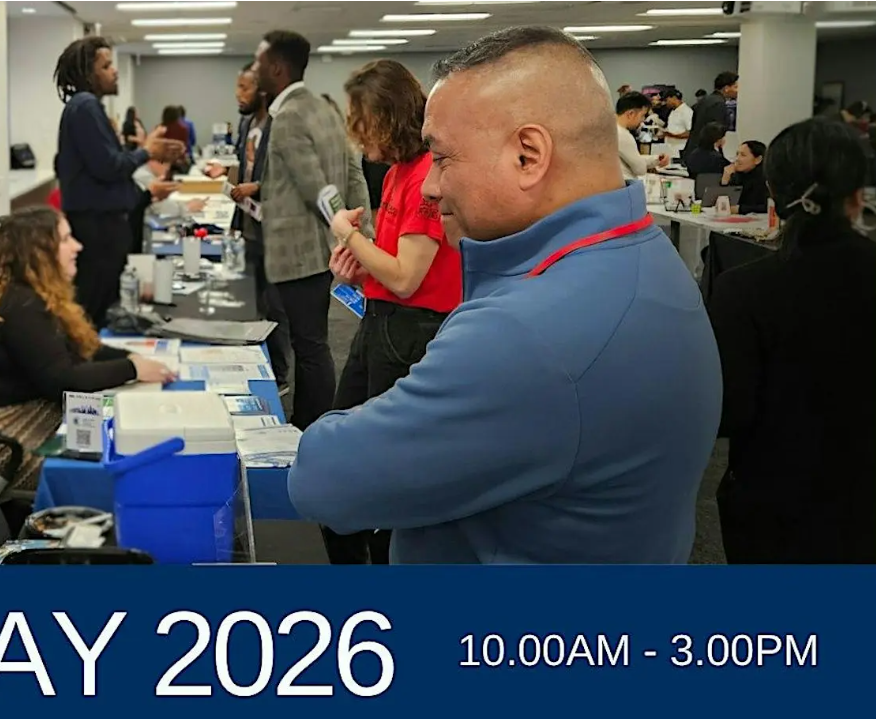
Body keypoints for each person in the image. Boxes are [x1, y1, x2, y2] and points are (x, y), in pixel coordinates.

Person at [287, 26, 722, 564]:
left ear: (528, 155)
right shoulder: (649, 260)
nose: (430, 185)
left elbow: (323, 481)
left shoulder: (525, 331)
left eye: (443, 158)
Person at [708, 118, 876, 563]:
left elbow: (729, 413)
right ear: (858, 195)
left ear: (774, 195)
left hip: (776, 504)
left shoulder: (742, 290)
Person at [319, 59, 462, 565]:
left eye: (362, 125)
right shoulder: (402, 171)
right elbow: (394, 268)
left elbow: (407, 276)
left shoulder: (426, 174)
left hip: (411, 330)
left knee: (387, 462)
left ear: (385, 118)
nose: (358, 139)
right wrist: (361, 268)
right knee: (342, 439)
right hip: (382, 320)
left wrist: (349, 234)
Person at [252, 29, 373, 429]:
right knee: (312, 344)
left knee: (310, 347)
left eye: (258, 63)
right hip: (318, 251)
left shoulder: (288, 117)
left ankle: (311, 426)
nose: (254, 71)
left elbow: (315, 186)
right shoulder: (322, 109)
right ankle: (311, 422)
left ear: (276, 68)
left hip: (298, 253)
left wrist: (344, 226)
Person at [0, 207, 175, 407]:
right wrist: (131, 369)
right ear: (39, 253)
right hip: (4, 421)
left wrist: (132, 357)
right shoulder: (21, 305)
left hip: (26, 404)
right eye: (66, 239)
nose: (78, 246)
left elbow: (79, 349)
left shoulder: (34, 293)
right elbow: (63, 379)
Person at [54, 36, 184, 328]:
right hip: (97, 228)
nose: (114, 71)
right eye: (106, 65)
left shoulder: (86, 107)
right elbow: (109, 167)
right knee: (94, 307)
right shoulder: (85, 106)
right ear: (89, 73)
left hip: (103, 224)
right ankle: (87, 363)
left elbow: (108, 164)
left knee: (101, 303)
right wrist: (146, 151)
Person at [227, 63, 292, 392]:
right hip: (250, 226)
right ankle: (253, 363)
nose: (239, 95)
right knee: (251, 301)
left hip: (276, 230)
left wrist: (258, 187)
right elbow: (244, 167)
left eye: (245, 89)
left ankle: (279, 375)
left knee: (275, 307)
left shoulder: (279, 125)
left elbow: (288, 178)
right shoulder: (245, 123)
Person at [615, 91, 669, 182]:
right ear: (631, 114)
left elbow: (634, 158)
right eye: (642, 115)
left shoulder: (611, 130)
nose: (643, 120)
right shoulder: (623, 135)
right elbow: (640, 169)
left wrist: (656, 159)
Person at [719, 140, 768, 215]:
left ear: (758, 159)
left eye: (743, 155)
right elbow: (723, 204)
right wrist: (725, 181)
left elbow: (767, 206)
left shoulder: (766, 179)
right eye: (737, 154)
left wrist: (740, 209)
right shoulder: (737, 176)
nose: (737, 159)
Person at [690, 71, 737, 148]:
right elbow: (715, 131)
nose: (737, 91)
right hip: (706, 150)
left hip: (694, 147)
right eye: (735, 87)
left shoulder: (704, 100)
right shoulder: (719, 104)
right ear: (726, 88)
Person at [661, 89, 694, 158]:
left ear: (674, 98)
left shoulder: (686, 111)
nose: (665, 103)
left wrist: (672, 135)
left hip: (680, 149)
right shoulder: (673, 111)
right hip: (671, 148)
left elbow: (691, 132)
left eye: (666, 100)